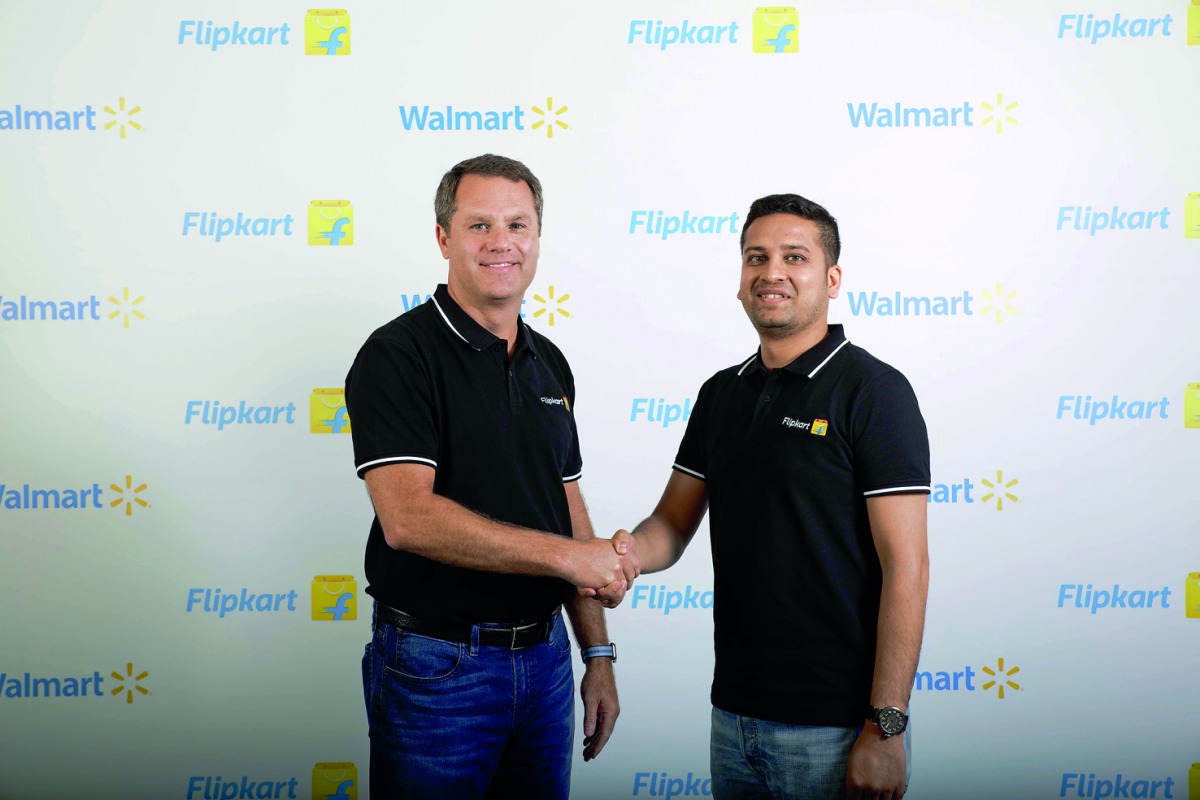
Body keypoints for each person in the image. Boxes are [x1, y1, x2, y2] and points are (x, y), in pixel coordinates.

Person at [607, 194, 930, 799]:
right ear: (739, 282)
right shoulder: (720, 395)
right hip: (732, 716)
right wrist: (623, 554)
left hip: (836, 727)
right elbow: (672, 526)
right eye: (756, 257)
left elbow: (907, 566)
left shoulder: (875, 393)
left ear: (831, 279)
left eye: (795, 257)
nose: (772, 271)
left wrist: (885, 728)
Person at [345, 154, 632, 799]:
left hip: (546, 661)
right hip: (440, 668)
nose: (502, 242)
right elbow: (408, 519)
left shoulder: (549, 362)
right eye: (479, 225)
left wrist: (597, 655)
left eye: (518, 224)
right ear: (444, 238)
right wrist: (572, 559)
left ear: (536, 238)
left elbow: (566, 507)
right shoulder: (398, 356)